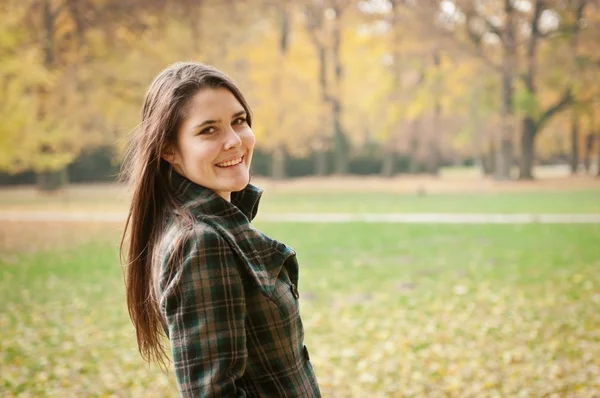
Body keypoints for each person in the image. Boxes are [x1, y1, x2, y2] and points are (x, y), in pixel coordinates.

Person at [120, 62, 321, 397]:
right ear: (169, 150)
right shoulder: (200, 242)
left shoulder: (216, 226)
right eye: (208, 130)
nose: (233, 141)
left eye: (238, 121)